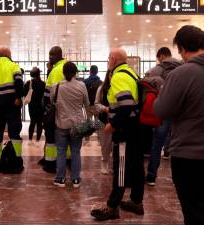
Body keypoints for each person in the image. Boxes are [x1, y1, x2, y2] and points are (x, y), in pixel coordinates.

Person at [154, 25, 204, 225]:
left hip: (189, 155)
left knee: (194, 210)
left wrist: (161, 92)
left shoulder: (182, 73)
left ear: (182, 48)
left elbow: (161, 110)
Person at [91, 48, 144, 221]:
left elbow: (126, 104)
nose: (107, 62)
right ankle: (136, 202)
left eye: (108, 59)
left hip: (124, 131)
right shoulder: (131, 73)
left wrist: (113, 124)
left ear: (113, 59)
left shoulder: (119, 76)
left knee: (120, 168)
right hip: (136, 128)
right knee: (136, 165)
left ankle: (112, 206)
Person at [145, 47, 182, 186]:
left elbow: (145, 86)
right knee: (179, 145)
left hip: (162, 112)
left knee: (157, 144)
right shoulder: (183, 67)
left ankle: (151, 177)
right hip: (180, 113)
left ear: (161, 56)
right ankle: (178, 179)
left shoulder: (155, 70)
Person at [53, 61, 89, 188]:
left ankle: (60, 179)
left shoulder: (56, 86)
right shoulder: (82, 86)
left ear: (63, 72)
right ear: (76, 72)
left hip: (61, 124)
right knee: (75, 152)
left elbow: (53, 102)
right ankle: (75, 179)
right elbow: (87, 105)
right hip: (78, 124)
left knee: (61, 151)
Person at [41, 46, 67, 173]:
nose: (50, 57)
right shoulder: (68, 67)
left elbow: (50, 95)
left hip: (55, 111)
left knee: (51, 136)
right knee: (66, 137)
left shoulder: (56, 71)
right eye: (49, 54)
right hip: (68, 111)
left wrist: (46, 109)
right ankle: (67, 160)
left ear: (59, 55)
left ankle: (50, 163)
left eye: (53, 55)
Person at [95, 70, 112, 175]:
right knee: (105, 144)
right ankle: (104, 163)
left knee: (116, 145)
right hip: (103, 120)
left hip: (117, 121)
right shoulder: (101, 88)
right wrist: (105, 109)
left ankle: (116, 165)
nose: (112, 76)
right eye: (110, 74)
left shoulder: (120, 87)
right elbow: (96, 104)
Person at [23, 67, 45, 145]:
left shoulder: (29, 83)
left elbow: (24, 93)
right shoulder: (43, 83)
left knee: (32, 122)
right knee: (39, 123)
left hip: (32, 105)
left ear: (32, 74)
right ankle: (38, 140)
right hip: (41, 105)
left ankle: (30, 140)